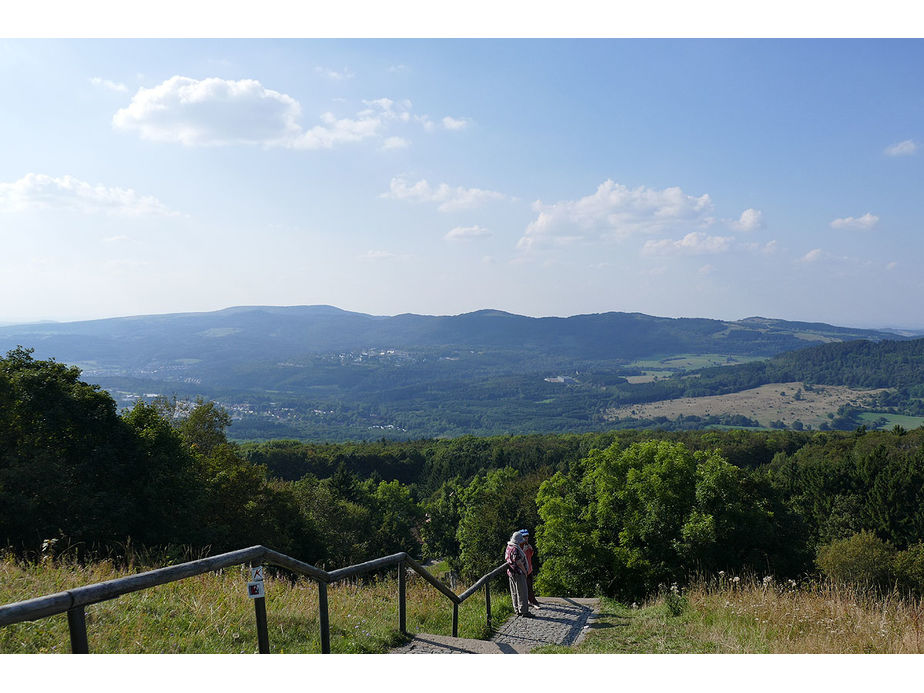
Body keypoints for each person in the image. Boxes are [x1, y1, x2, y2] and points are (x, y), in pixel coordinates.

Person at [505, 530, 531, 617]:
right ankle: (524, 611)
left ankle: (517, 609)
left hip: (511, 573)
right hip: (518, 573)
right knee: (522, 592)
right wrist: (525, 571)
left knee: (514, 592)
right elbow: (519, 562)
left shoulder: (509, 547)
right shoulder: (515, 548)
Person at [519, 529, 541, 609]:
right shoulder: (519, 546)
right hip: (523, 570)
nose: (526, 538)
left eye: (527, 536)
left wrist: (530, 549)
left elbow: (530, 555)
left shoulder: (527, 544)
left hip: (529, 568)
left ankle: (530, 601)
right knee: (526, 587)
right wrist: (524, 551)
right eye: (524, 536)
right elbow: (519, 559)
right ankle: (532, 601)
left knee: (530, 586)